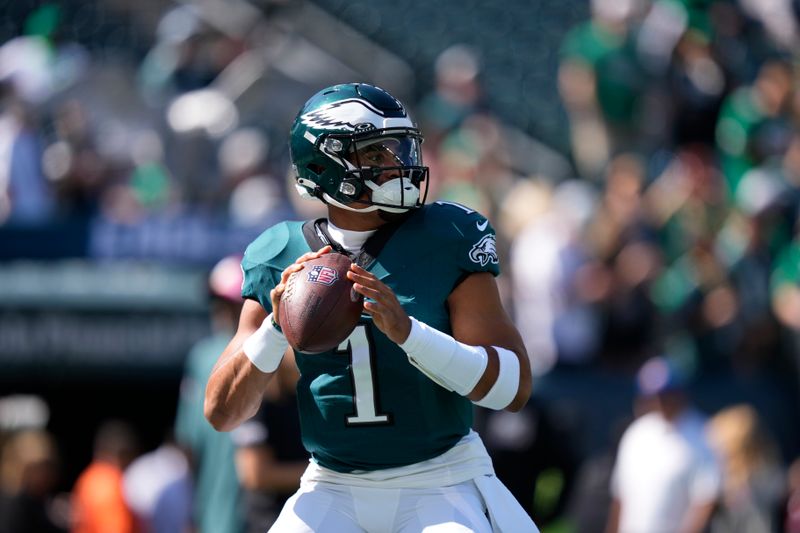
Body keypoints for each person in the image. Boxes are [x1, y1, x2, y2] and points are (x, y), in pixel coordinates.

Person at [205, 82, 537, 532]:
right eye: (377, 156)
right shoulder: (277, 253)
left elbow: (511, 389)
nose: (400, 166)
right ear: (325, 165)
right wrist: (275, 329)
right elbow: (222, 412)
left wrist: (410, 334)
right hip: (332, 484)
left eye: (400, 150)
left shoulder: (447, 234)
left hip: (440, 480)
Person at [174, 254, 248, 533]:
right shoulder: (203, 356)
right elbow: (188, 445)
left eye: (227, 305)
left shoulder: (204, 357)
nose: (220, 313)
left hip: (229, 515)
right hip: (228, 515)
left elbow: (187, 446)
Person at [607, 356, 722, 533]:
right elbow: (620, 497)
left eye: (665, 394)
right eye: (653, 395)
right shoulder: (637, 433)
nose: (659, 401)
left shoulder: (704, 434)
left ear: (680, 392)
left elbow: (706, 501)